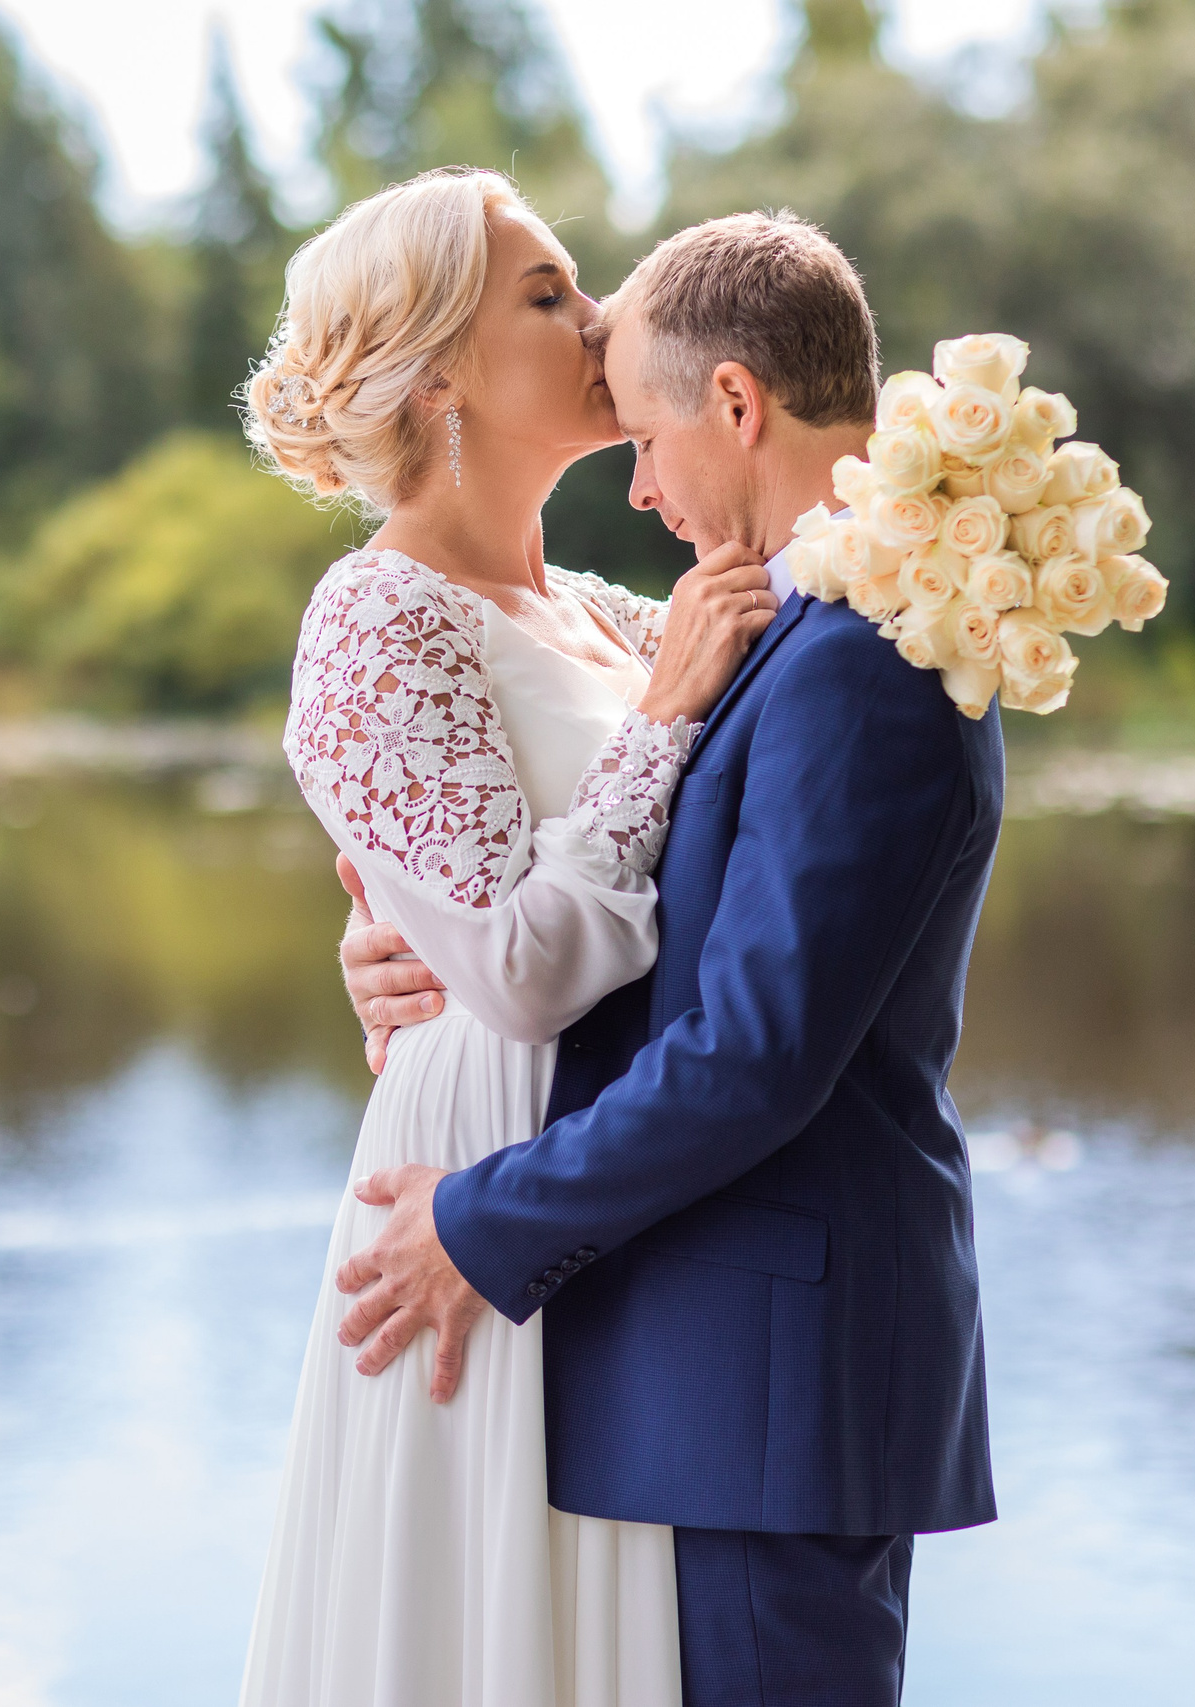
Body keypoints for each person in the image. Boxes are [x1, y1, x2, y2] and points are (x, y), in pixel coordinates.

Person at [332, 211, 1005, 1706]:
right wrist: (402, 930)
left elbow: (753, 1051)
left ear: (738, 408)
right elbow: (557, 864)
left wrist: (479, 1224)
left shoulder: (859, 658)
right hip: (701, 1357)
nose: (638, 484)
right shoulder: (779, 622)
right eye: (548, 295)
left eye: (649, 435)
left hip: (766, 1377)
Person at [237, 169, 777, 1706]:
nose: (601, 317)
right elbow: (521, 964)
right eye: (546, 296)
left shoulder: (610, 611)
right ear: (439, 367)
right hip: (475, 1168)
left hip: (610, 1160)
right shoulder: (372, 615)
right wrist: (667, 712)